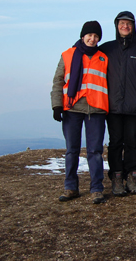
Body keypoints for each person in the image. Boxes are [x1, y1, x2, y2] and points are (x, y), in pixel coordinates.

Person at [99, 11, 136, 196]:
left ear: (133, 27)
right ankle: (117, 179)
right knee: (116, 143)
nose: (125, 27)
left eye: (128, 24)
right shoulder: (107, 49)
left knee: (133, 143)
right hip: (113, 107)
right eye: (121, 24)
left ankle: (132, 178)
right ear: (117, 26)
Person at [51, 21, 108, 204]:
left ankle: (97, 188)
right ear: (82, 36)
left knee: (95, 151)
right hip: (72, 108)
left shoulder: (104, 57)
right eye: (89, 35)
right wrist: (56, 105)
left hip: (97, 109)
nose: (92, 39)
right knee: (71, 150)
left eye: (96, 36)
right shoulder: (68, 55)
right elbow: (58, 81)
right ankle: (70, 187)